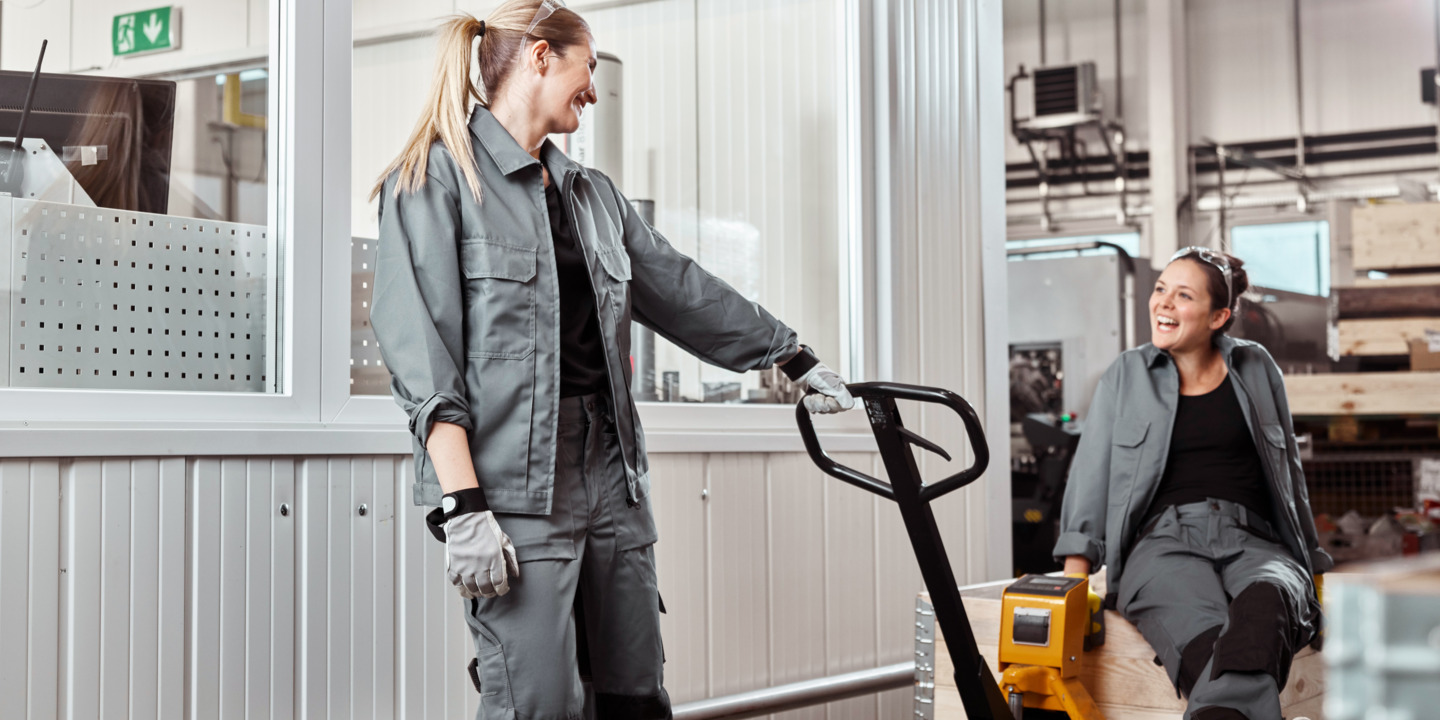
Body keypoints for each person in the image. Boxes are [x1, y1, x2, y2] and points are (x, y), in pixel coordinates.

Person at [367, 2, 855, 718]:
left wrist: (792, 355)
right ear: (541, 58)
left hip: (613, 473)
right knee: (537, 701)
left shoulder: (592, 196)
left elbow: (684, 289)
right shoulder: (435, 180)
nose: (592, 89)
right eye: (586, 67)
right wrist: (463, 504)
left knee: (634, 691)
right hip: (515, 488)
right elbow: (424, 361)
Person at [1054, 247, 1333, 720]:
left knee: (1267, 606)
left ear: (1218, 316)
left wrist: (1313, 572)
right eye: (1161, 289)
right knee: (1208, 640)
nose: (1163, 303)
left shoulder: (1256, 366)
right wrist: (1072, 586)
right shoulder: (1126, 374)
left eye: (1183, 295)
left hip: (1257, 541)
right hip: (1163, 546)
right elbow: (1090, 475)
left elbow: (1289, 477)